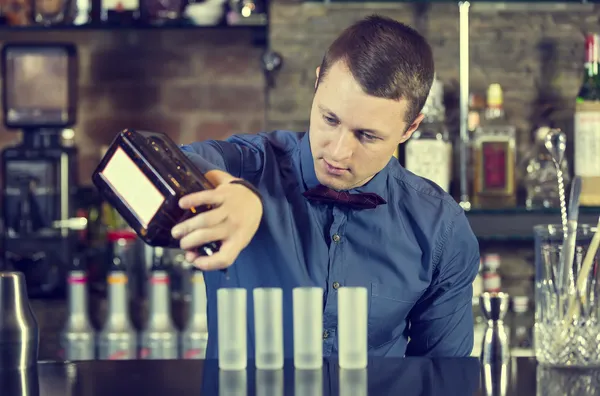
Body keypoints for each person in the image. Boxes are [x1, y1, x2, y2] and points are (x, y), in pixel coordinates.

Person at [172, 14, 480, 359]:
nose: (338, 151)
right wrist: (231, 189)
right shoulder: (251, 163)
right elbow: (148, 157)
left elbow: (442, 377)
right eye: (329, 119)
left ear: (410, 128)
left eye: (367, 135)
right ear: (318, 84)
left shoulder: (441, 228)